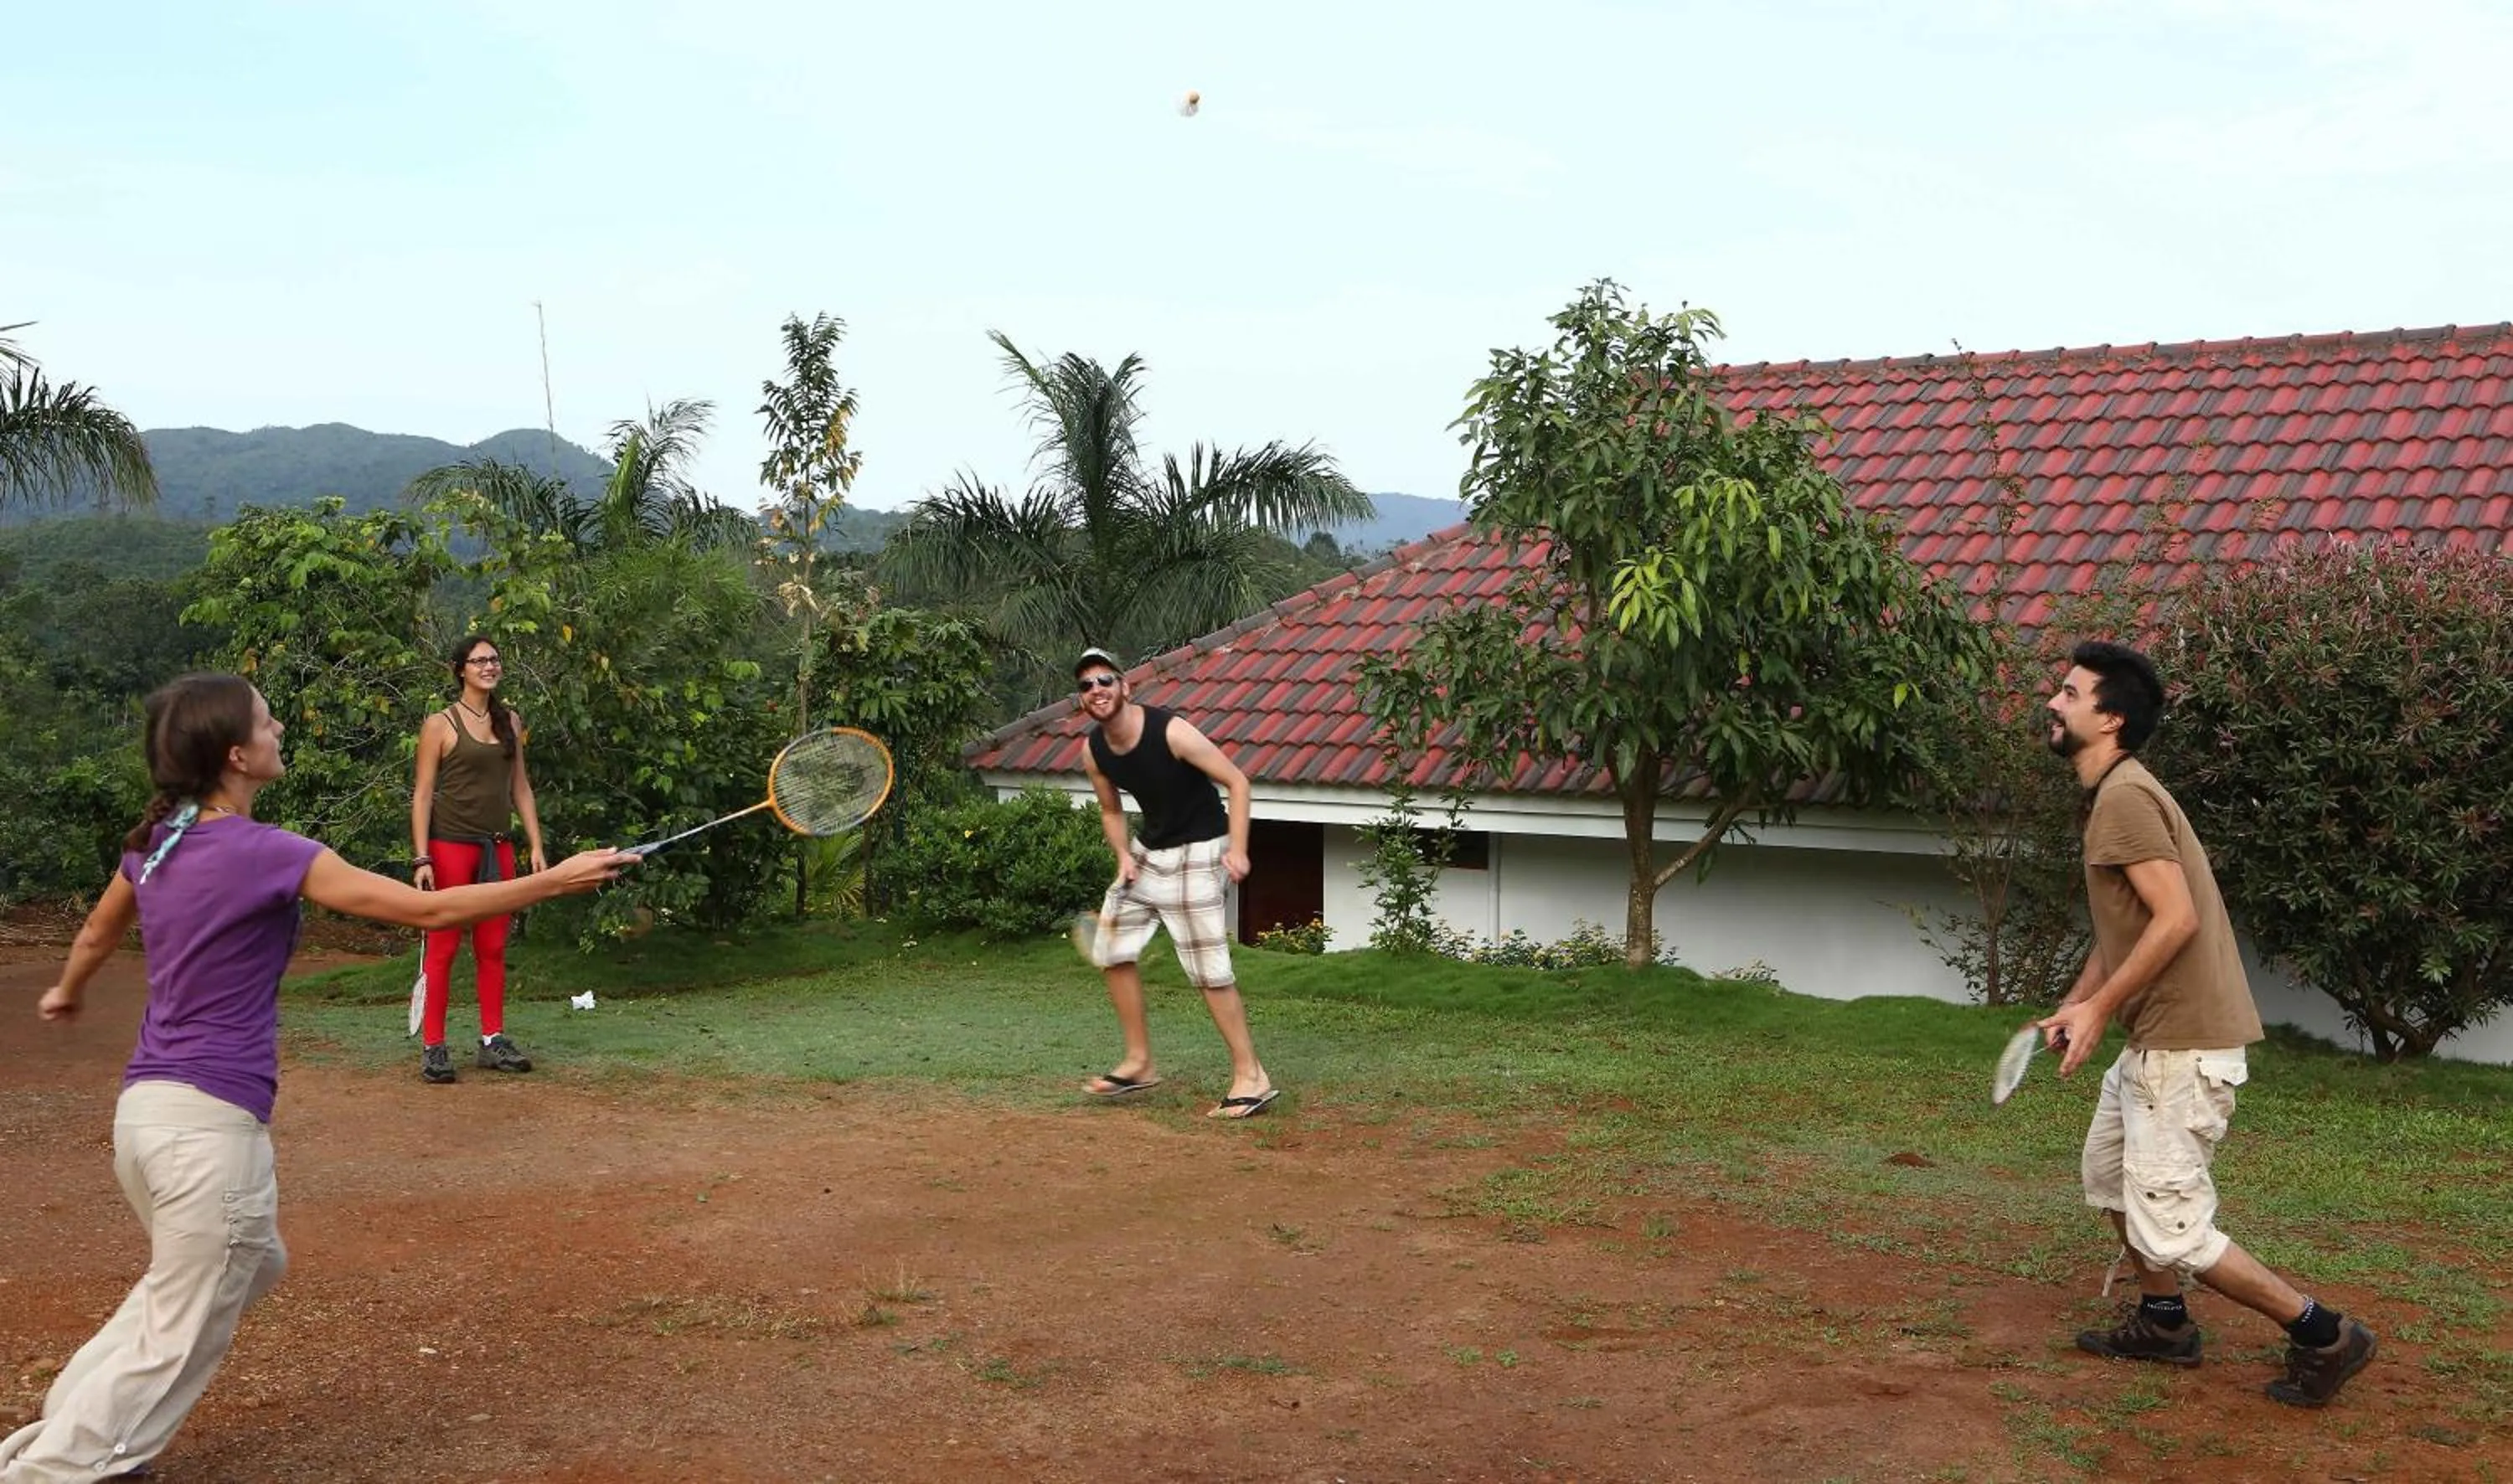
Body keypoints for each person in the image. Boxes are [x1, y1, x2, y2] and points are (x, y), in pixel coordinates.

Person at [2, 672, 632, 1482]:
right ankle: (58, 1468)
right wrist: (555, 879)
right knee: (190, 1307)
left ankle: (71, 1432)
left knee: (237, 1269)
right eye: (267, 723)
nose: (280, 729)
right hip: (206, 1132)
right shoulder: (268, 852)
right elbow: (427, 912)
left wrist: (66, 991)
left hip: (146, 1119)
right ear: (236, 754)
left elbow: (96, 930)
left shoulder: (154, 843)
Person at [2036, 640, 2376, 1409]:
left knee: (2175, 1230)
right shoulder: (2116, 793)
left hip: (2183, 1048)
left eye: (2069, 693)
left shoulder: (2125, 796)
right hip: (2156, 1043)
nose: (2053, 704)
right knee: (2110, 1184)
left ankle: (2325, 1333)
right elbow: (2128, 926)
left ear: (2110, 717)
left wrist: (2099, 1010)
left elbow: (2177, 919)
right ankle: (2165, 1325)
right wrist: (2082, 999)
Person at [1071, 647, 1279, 1119]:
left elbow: (1238, 781)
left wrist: (1239, 849)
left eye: (1105, 680)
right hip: (1149, 853)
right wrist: (1123, 855)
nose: (1096, 690)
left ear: (1126, 687)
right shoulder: (1094, 749)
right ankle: (1139, 1062)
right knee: (1111, 949)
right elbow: (1110, 809)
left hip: (1201, 849)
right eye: (1086, 686)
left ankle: (1252, 1076)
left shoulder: (1171, 730)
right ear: (1080, 701)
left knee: (1208, 971)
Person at [407, 635, 548, 1085]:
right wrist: (421, 857)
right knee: (444, 949)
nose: (489, 666)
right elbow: (423, 794)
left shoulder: (510, 720)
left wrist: (536, 843)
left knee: (492, 947)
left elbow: (520, 788)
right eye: (479, 660)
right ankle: (434, 1048)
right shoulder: (440, 724)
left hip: (498, 848)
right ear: (460, 669)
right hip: (450, 848)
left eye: (494, 659)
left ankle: (493, 1040)